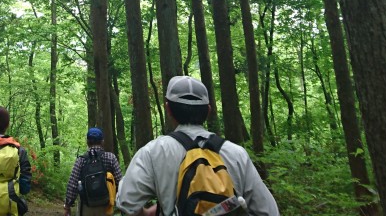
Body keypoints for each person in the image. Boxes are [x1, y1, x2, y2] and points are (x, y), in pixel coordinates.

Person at [115, 76, 279, 216]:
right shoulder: (237, 154)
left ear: (168, 109)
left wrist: (147, 213)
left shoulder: (154, 152)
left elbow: (126, 202)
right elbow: (268, 211)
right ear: (208, 111)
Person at [63, 127, 123, 216]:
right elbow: (120, 182)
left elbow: (72, 184)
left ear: (87, 142)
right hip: (106, 206)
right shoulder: (111, 158)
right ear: (102, 141)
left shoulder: (81, 160)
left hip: (86, 206)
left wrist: (67, 205)